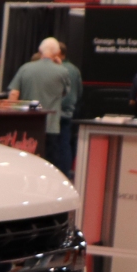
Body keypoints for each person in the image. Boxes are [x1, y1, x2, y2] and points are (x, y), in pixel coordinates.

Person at [7, 38, 72, 168]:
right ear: (57, 52)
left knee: (24, 164)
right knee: (49, 165)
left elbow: (14, 94)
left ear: (40, 50)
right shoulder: (62, 72)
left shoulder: (25, 68)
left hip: (26, 126)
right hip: (51, 127)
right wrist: (59, 66)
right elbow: (65, 93)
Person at [55, 40, 83, 178]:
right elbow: (79, 91)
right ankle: (65, 174)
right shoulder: (75, 70)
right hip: (69, 112)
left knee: (53, 145)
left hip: (53, 112)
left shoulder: (57, 68)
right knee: (65, 144)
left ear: (58, 53)